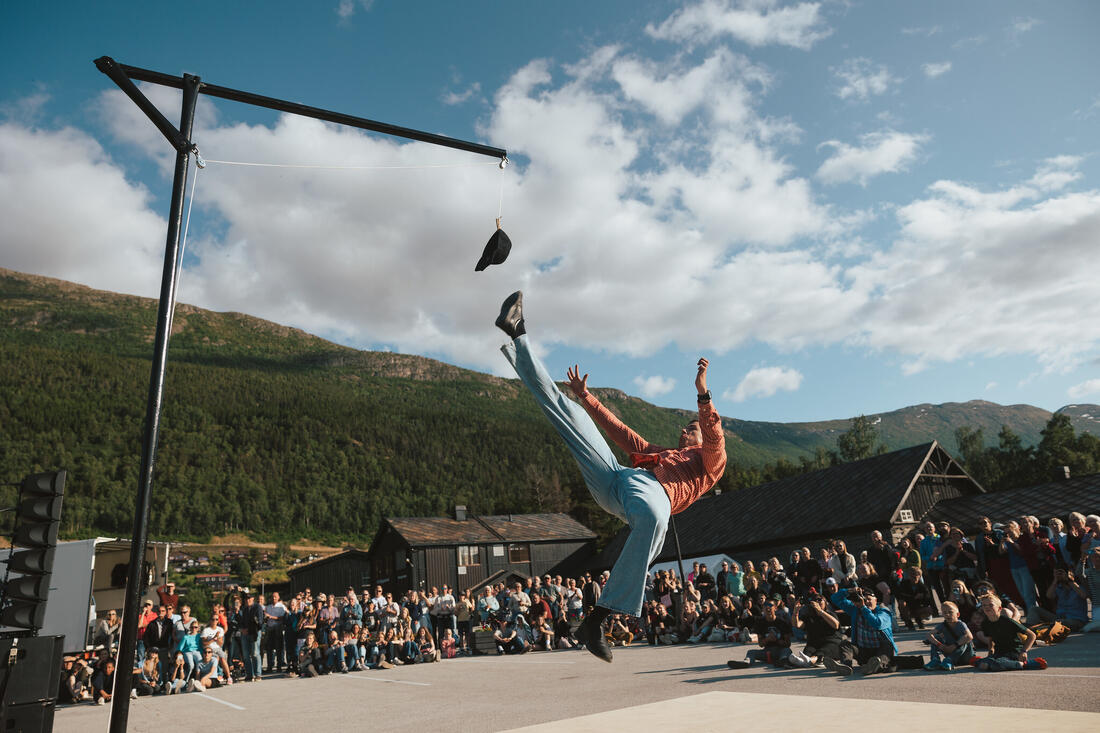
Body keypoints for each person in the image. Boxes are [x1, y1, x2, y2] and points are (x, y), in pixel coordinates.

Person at [494, 291, 727, 664]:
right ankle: (518, 333)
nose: (687, 433)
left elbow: (714, 437)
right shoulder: (660, 452)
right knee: (567, 412)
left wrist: (703, 397)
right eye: (685, 430)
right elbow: (623, 433)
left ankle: (596, 620)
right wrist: (587, 399)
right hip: (616, 481)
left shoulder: (708, 465)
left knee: (656, 518)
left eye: (692, 430)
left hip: (652, 497)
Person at [823, 587, 896, 676]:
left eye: (869, 599)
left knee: (887, 647)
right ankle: (845, 667)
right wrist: (849, 591)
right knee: (845, 644)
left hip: (881, 652)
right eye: (864, 600)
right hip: (864, 651)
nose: (866, 602)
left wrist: (864, 608)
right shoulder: (855, 609)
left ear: (876, 600)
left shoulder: (884, 611)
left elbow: (877, 624)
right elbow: (835, 598)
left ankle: (876, 666)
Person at [975, 594, 1046, 671]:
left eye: (990, 605)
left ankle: (1026, 664)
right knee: (982, 665)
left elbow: (1032, 635)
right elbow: (990, 638)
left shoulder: (1007, 621)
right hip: (999, 653)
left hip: (1014, 653)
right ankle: (991, 662)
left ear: (999, 608)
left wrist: (1024, 651)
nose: (987, 607)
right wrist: (990, 650)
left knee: (997, 665)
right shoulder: (985, 623)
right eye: (984, 605)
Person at [924, 601, 974, 670]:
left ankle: (950, 660)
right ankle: (935, 660)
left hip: (965, 656)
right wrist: (939, 645)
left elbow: (970, 636)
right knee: (936, 638)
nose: (947, 614)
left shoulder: (961, 624)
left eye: (950, 612)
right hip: (949, 652)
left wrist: (954, 646)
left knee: (964, 639)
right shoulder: (943, 625)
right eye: (945, 613)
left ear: (958, 614)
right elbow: (928, 634)